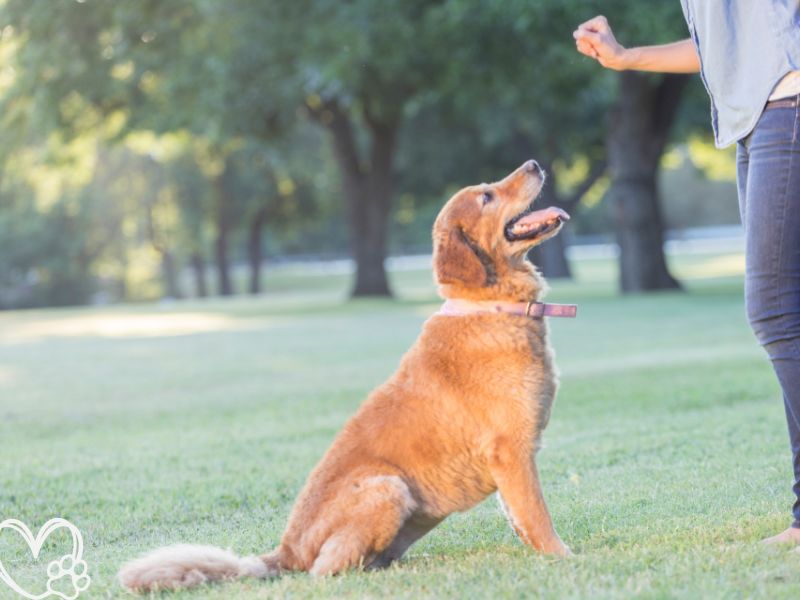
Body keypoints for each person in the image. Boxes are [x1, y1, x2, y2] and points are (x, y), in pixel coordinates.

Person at [573, 5, 800, 546]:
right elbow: (726, 51)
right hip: (757, 119)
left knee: (774, 309)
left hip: (788, 107)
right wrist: (627, 58)